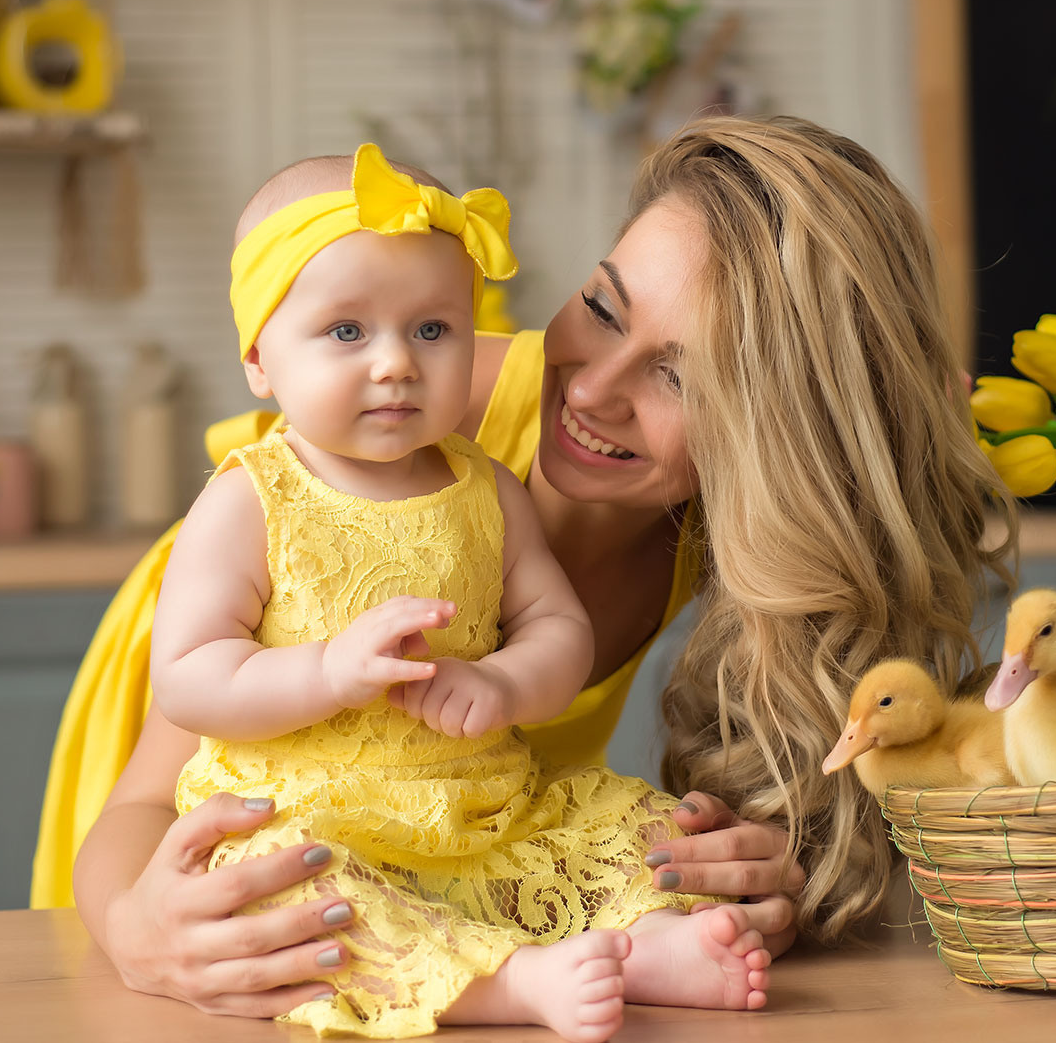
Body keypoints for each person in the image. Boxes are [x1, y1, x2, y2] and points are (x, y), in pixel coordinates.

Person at [33, 116, 1012, 1020]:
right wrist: (137, 933)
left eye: (678, 373)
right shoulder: (406, 425)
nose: (588, 385)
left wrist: (741, 881)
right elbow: (143, 806)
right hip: (221, 747)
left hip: (446, 848)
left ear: (781, 440)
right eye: (598, 306)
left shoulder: (723, 531)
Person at [152, 145, 769, 1039]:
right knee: (296, 898)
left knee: (637, 825)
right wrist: (327, 671)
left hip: (478, 808)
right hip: (314, 813)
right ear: (259, 358)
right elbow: (189, 675)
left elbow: (557, 625)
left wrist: (506, 685)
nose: (397, 363)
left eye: (433, 330)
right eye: (347, 333)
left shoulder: (485, 487)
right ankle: (511, 988)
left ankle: (650, 950)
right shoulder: (251, 498)